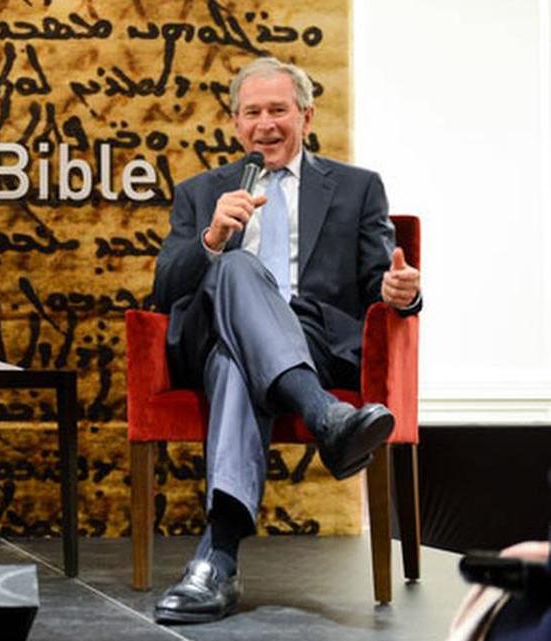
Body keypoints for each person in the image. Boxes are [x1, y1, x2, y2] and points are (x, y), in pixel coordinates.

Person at [150, 57, 422, 624]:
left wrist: (400, 293)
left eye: (278, 110)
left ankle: (217, 559)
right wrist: (212, 237)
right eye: (252, 112)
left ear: (306, 115)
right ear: (234, 123)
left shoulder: (356, 187)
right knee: (231, 271)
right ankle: (326, 418)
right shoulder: (202, 192)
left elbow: (380, 278)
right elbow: (164, 291)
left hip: (312, 337)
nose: (265, 124)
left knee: (235, 362)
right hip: (215, 327)